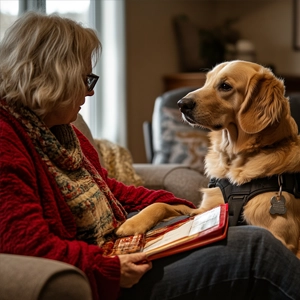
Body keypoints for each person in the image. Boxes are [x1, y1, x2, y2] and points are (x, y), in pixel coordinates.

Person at [0, 11, 299, 300]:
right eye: (86, 80)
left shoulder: (59, 131)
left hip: (124, 244)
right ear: (54, 78)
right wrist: (107, 266)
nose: (90, 94)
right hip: (108, 272)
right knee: (257, 248)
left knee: (240, 236)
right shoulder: (7, 140)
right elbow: (27, 245)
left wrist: (172, 208)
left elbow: (110, 191)